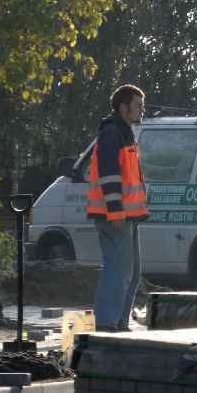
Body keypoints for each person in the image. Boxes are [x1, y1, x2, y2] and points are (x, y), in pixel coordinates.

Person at [86, 84, 148, 331]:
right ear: (123, 108)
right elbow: (109, 174)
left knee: (130, 273)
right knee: (118, 272)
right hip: (117, 216)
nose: (142, 110)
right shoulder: (113, 132)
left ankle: (118, 322)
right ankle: (107, 325)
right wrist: (116, 211)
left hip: (126, 215)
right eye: (138, 105)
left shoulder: (122, 132)